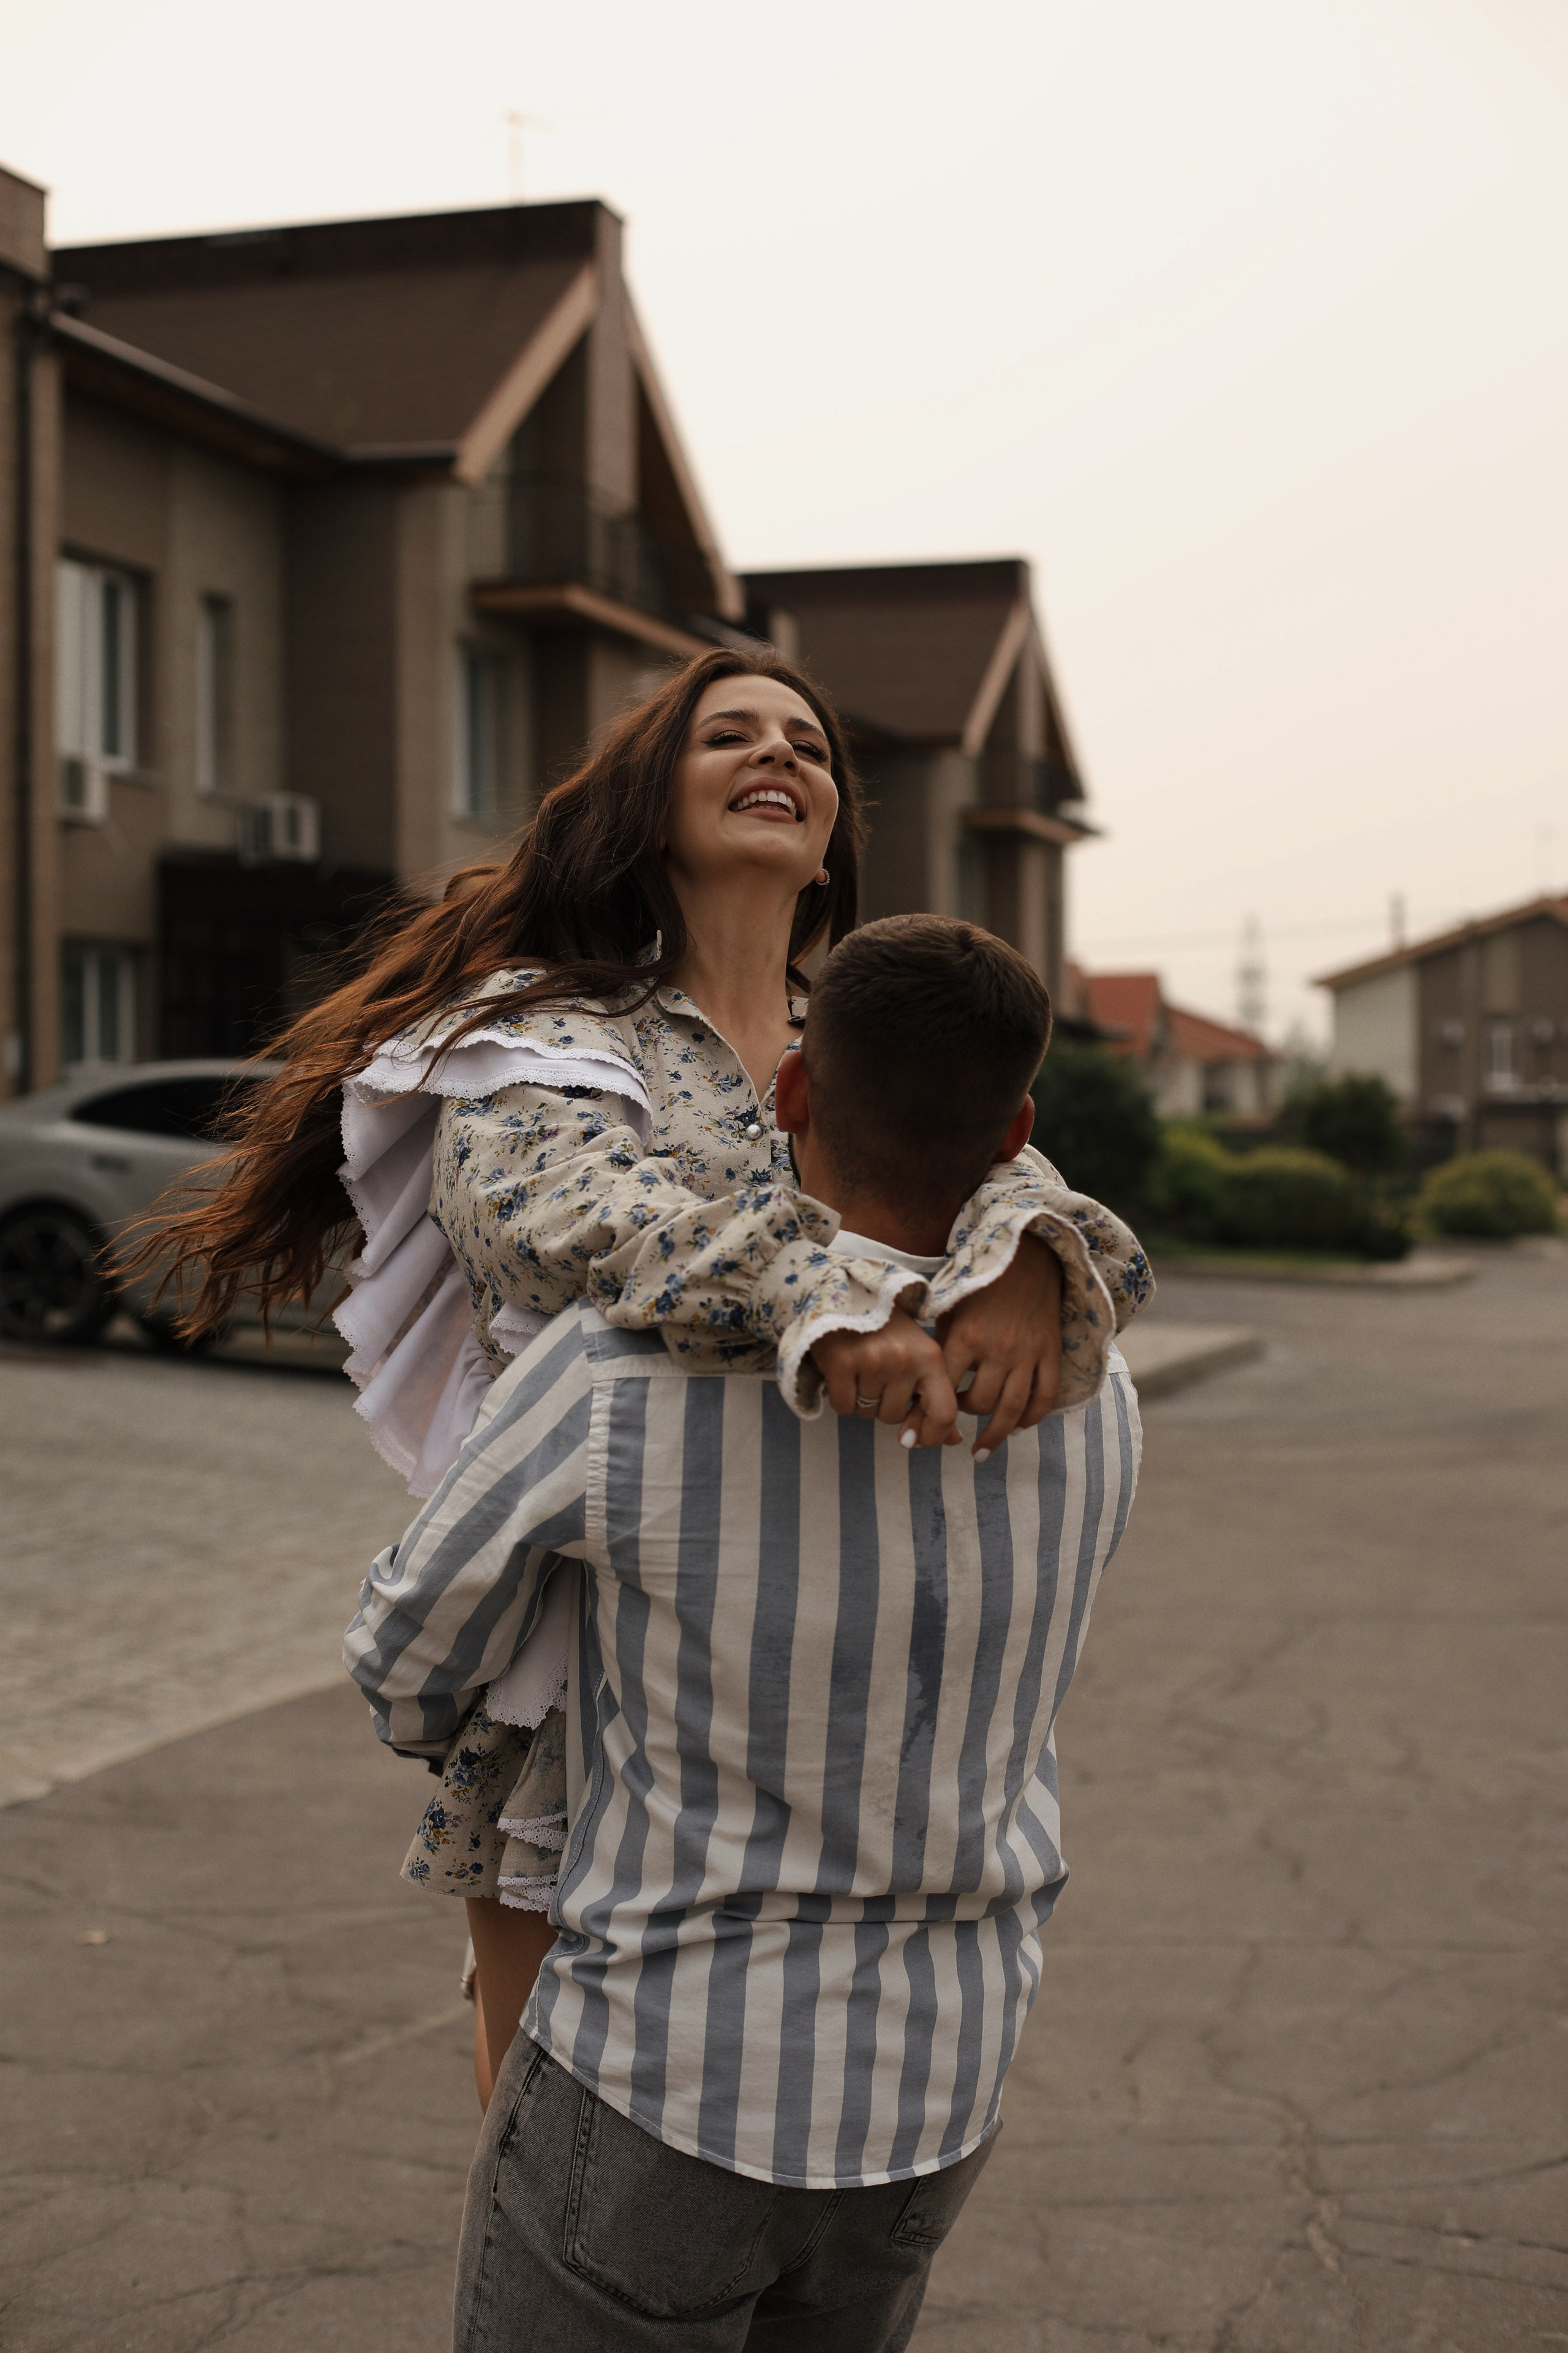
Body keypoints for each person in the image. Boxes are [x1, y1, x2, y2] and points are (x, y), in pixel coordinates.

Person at [147, 646, 1150, 2105]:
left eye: (808, 743)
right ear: (647, 802)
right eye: (730, 735)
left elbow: (1076, 1225)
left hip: (820, 1648)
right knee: (553, 2102)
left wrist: (1032, 1258)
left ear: (830, 844)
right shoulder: (543, 1034)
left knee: (806, 2089)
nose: (781, 755)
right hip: (596, 1643)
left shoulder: (855, 1042)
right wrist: (828, 1297)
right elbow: (560, 1227)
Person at [347, 914, 1142, 2352]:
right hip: (939, 2081)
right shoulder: (1096, 1395)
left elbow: (402, 1651)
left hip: (664, 2069)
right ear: (1017, 1125)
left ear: (785, 1093)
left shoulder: (617, 1375)